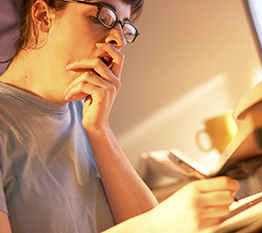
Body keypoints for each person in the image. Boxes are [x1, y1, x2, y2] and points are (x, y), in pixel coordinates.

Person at [0, 0, 240, 232]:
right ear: (43, 16)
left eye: (123, 27)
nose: (119, 40)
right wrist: (154, 226)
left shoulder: (85, 109)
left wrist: (100, 129)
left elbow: (146, 222)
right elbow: (152, 226)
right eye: (103, 17)